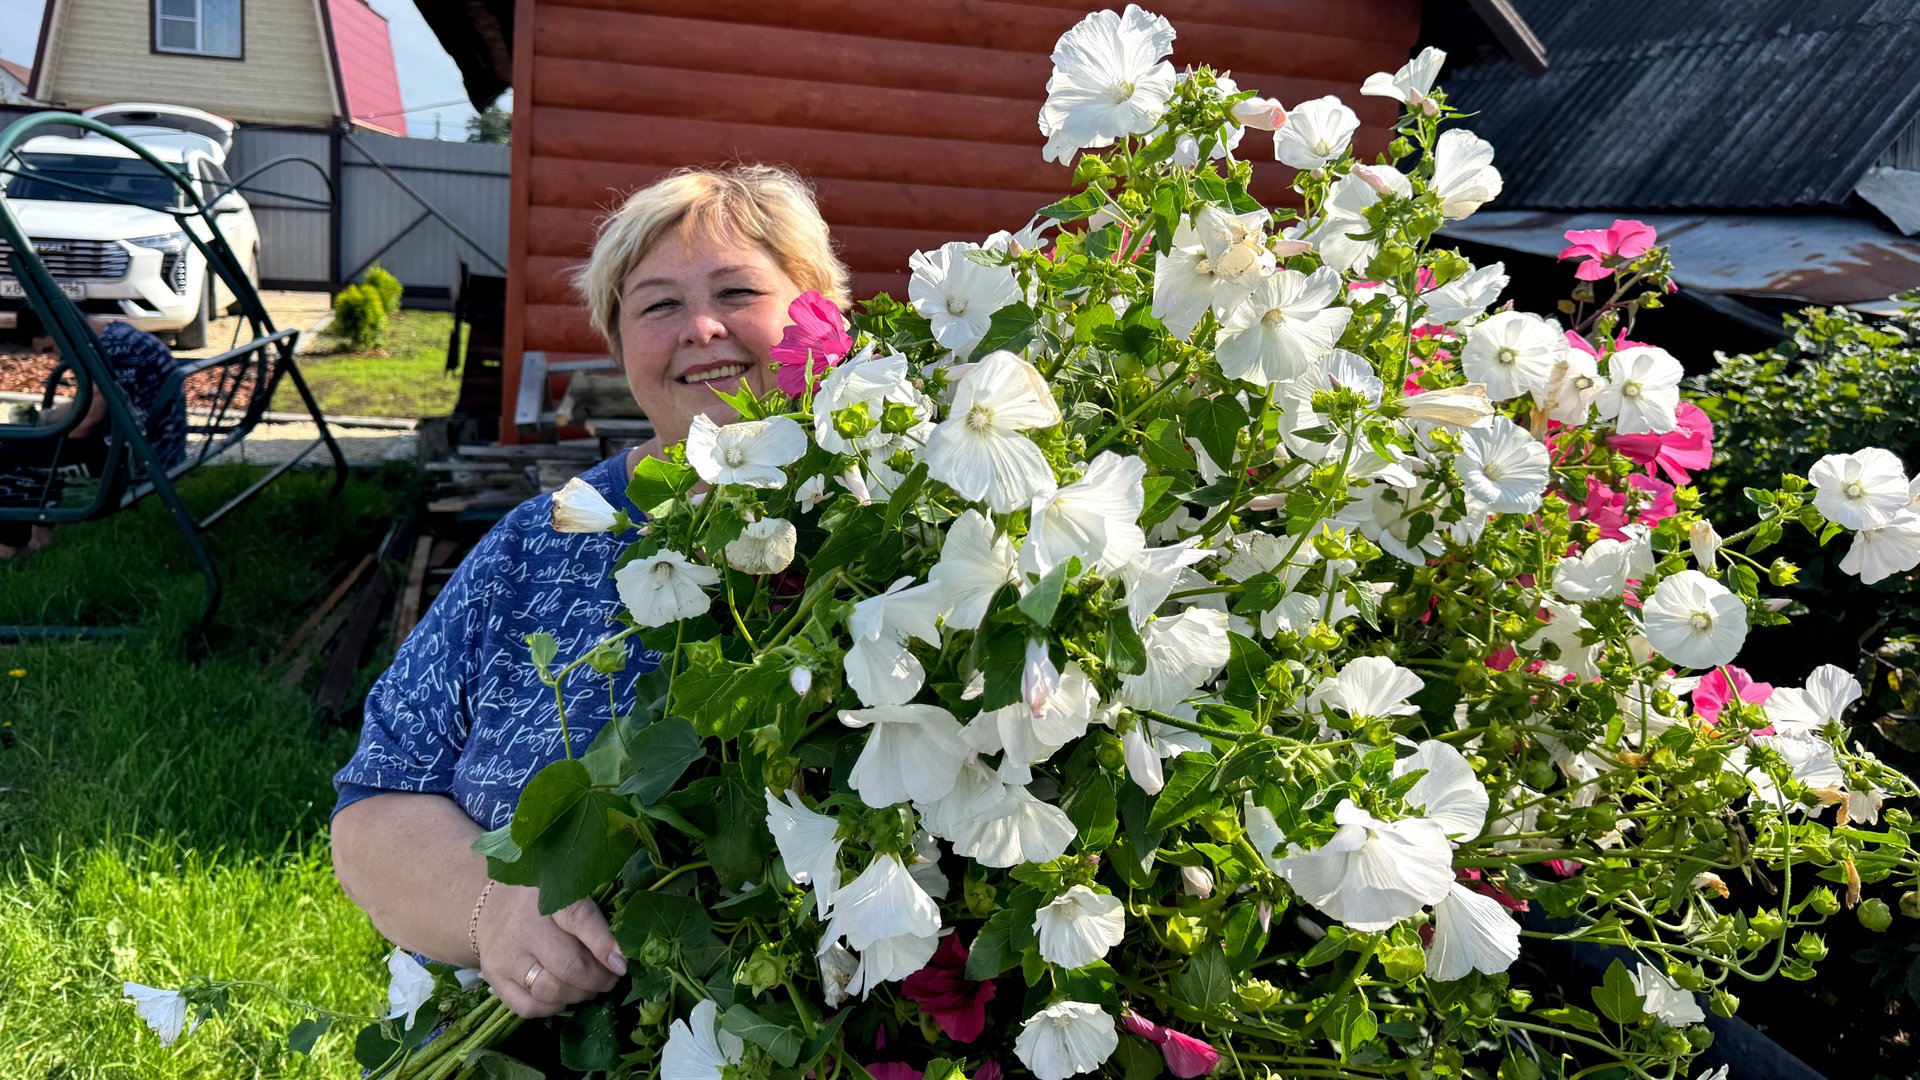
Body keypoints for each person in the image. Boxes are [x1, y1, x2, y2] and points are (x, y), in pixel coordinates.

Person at [329, 165, 851, 1021]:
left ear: (820, 315)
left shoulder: (895, 530)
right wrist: (492, 908)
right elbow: (375, 804)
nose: (702, 328)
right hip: (548, 1035)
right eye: (657, 306)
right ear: (620, 343)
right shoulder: (542, 544)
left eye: (737, 290)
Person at [0, 316, 185, 558]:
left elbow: (87, 424)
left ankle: (8, 547)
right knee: (23, 442)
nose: (56, 359)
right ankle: (38, 533)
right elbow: (92, 405)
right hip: (154, 444)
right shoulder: (113, 334)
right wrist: (44, 420)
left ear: (60, 330)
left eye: (50, 349)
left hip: (139, 459)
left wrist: (39, 436)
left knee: (7, 451)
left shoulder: (112, 352)